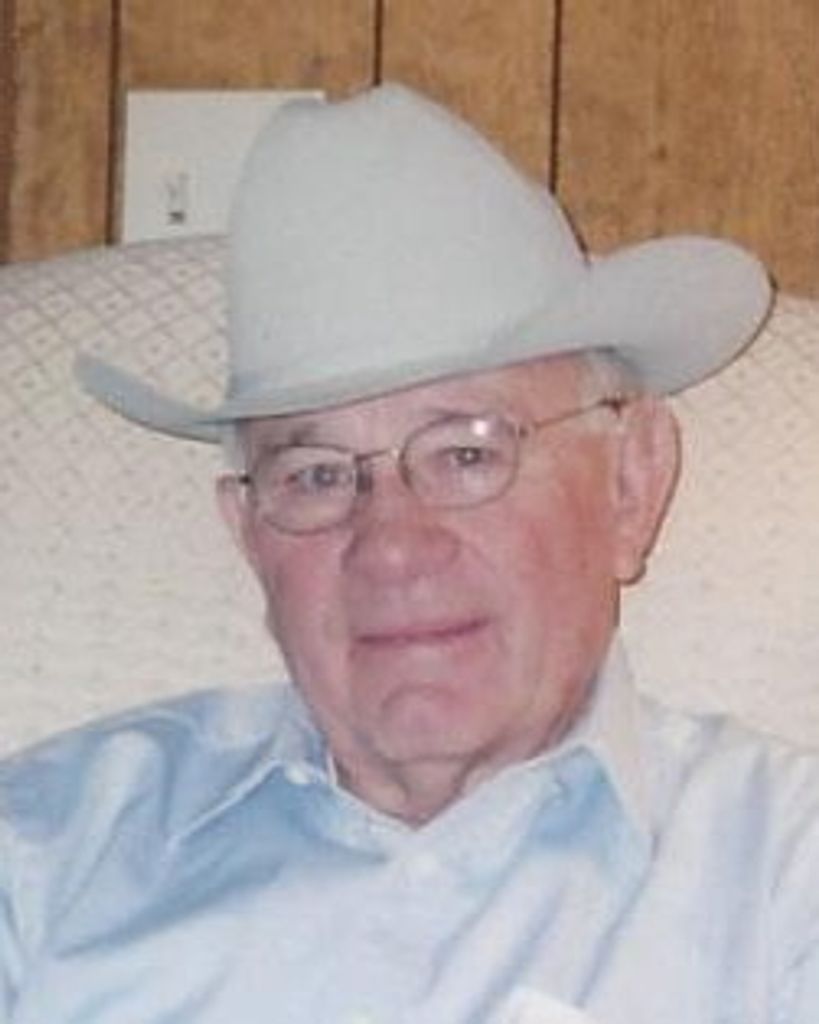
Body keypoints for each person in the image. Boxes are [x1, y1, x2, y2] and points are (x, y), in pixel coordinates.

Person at [2, 83, 817, 1024]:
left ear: (630, 483)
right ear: (248, 533)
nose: (390, 546)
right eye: (315, 474)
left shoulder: (782, 880)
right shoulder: (44, 855)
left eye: (467, 453)